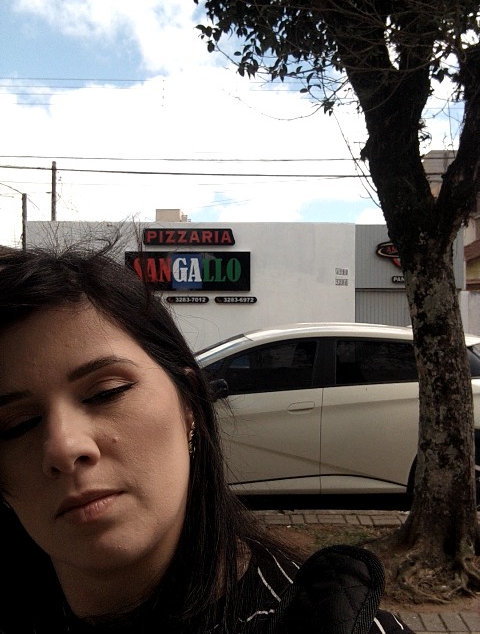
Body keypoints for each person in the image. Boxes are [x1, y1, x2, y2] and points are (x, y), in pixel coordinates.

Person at [0, 244, 415, 634]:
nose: (64, 447)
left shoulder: (331, 620)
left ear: (190, 407)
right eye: (17, 423)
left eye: (106, 392)